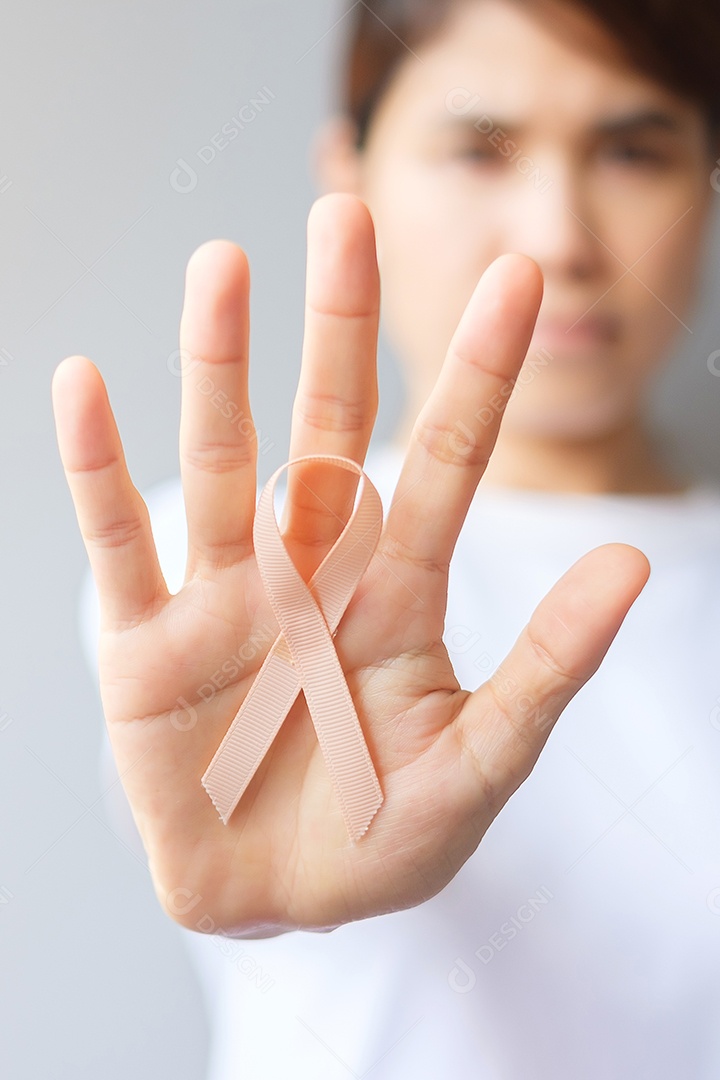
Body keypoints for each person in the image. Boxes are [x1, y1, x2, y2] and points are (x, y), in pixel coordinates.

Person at [53, 0, 720, 1075]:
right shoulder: (223, 573)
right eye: (477, 149)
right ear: (349, 171)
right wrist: (261, 887)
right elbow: (215, 814)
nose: (559, 236)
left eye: (636, 151)